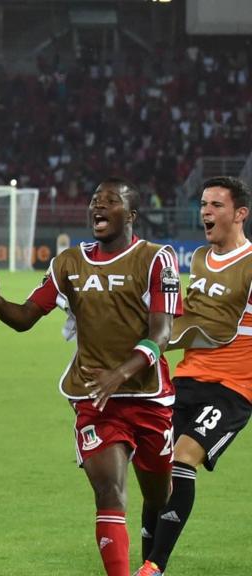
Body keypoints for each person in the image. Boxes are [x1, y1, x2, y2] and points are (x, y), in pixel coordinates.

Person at [0, 178, 182, 576]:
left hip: (148, 398)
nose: (97, 207)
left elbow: (161, 333)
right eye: (94, 201)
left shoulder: (156, 259)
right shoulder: (69, 262)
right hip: (94, 397)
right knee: (109, 492)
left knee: (160, 497)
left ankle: (153, 546)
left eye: (109, 201)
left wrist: (121, 373)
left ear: (130, 215)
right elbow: (25, 318)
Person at [135, 176, 252, 576]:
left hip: (232, 389)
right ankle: (144, 561)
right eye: (203, 204)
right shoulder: (200, 257)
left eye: (217, 205)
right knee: (156, 467)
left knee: (183, 459)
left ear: (240, 214)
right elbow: (188, 320)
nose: (206, 211)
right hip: (185, 379)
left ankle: (155, 565)